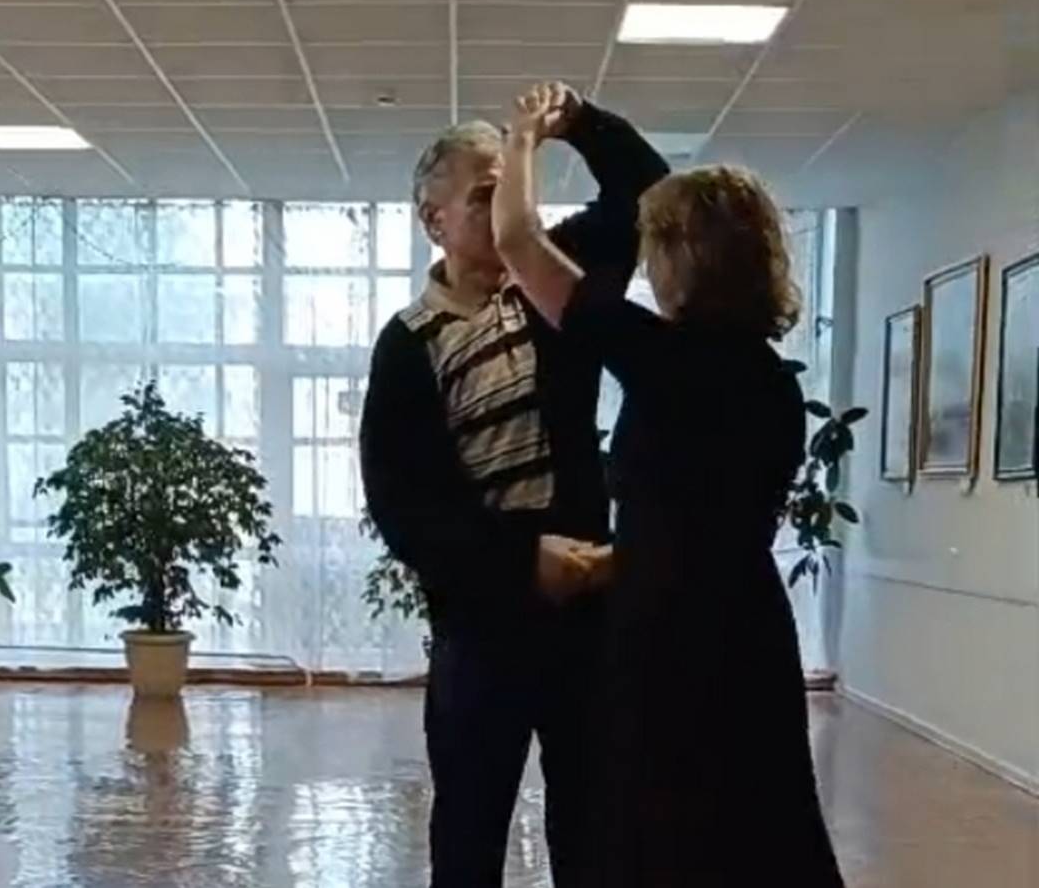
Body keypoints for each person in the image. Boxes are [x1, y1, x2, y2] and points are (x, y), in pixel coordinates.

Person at [492, 84, 847, 886]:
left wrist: (525, 135)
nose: (646, 263)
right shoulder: (770, 381)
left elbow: (516, 239)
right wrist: (587, 123)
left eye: (658, 247)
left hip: (668, 641)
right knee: (754, 830)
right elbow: (702, 524)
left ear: (687, 257)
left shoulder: (662, 358)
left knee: (665, 834)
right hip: (746, 628)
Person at [359, 83, 668, 888]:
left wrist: (578, 124)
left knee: (596, 831)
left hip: (586, 617)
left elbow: (649, 195)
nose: (505, 213)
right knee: (468, 836)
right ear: (433, 220)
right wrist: (520, 561)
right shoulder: (408, 344)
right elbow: (403, 507)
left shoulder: (556, 282)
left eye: (512, 192)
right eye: (483, 196)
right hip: (482, 626)